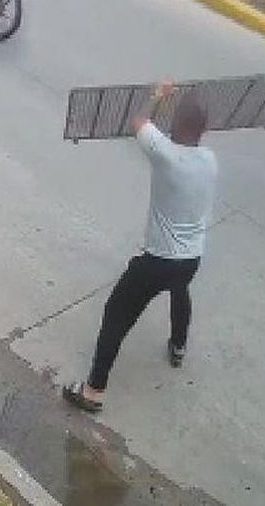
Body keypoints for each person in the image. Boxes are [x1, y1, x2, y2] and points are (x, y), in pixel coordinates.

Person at [63, 82, 219, 414]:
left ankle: (93, 391)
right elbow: (184, 134)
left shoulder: (165, 154)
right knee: (180, 289)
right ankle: (178, 345)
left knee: (115, 315)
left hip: (157, 262)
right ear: (204, 129)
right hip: (190, 259)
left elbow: (138, 120)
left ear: (175, 125)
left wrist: (157, 96)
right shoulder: (209, 160)